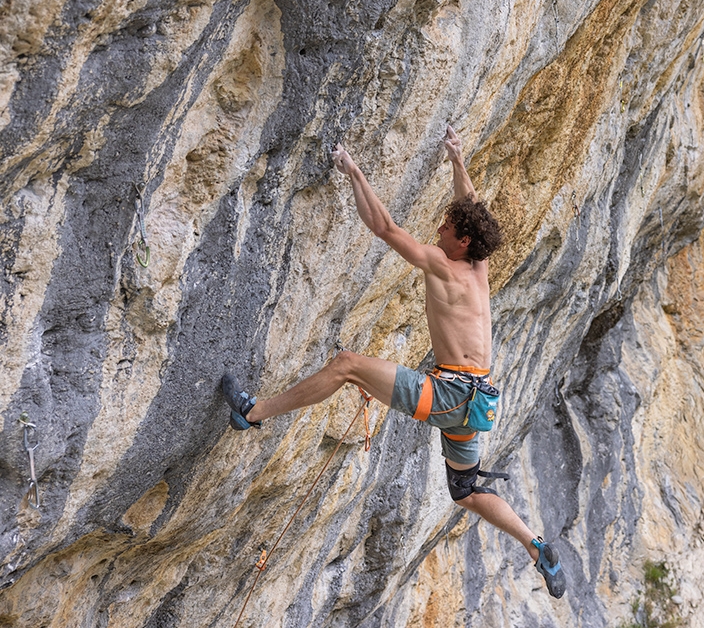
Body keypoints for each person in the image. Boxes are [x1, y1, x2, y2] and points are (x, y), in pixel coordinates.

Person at [221, 126, 565, 598]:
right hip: (479, 402)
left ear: (462, 241)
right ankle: (535, 544)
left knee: (345, 365)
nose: (440, 228)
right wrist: (457, 162)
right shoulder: (477, 266)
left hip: (450, 394)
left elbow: (385, 229)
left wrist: (354, 171)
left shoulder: (443, 265)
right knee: (464, 489)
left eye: (447, 226)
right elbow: (472, 209)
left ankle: (251, 412)